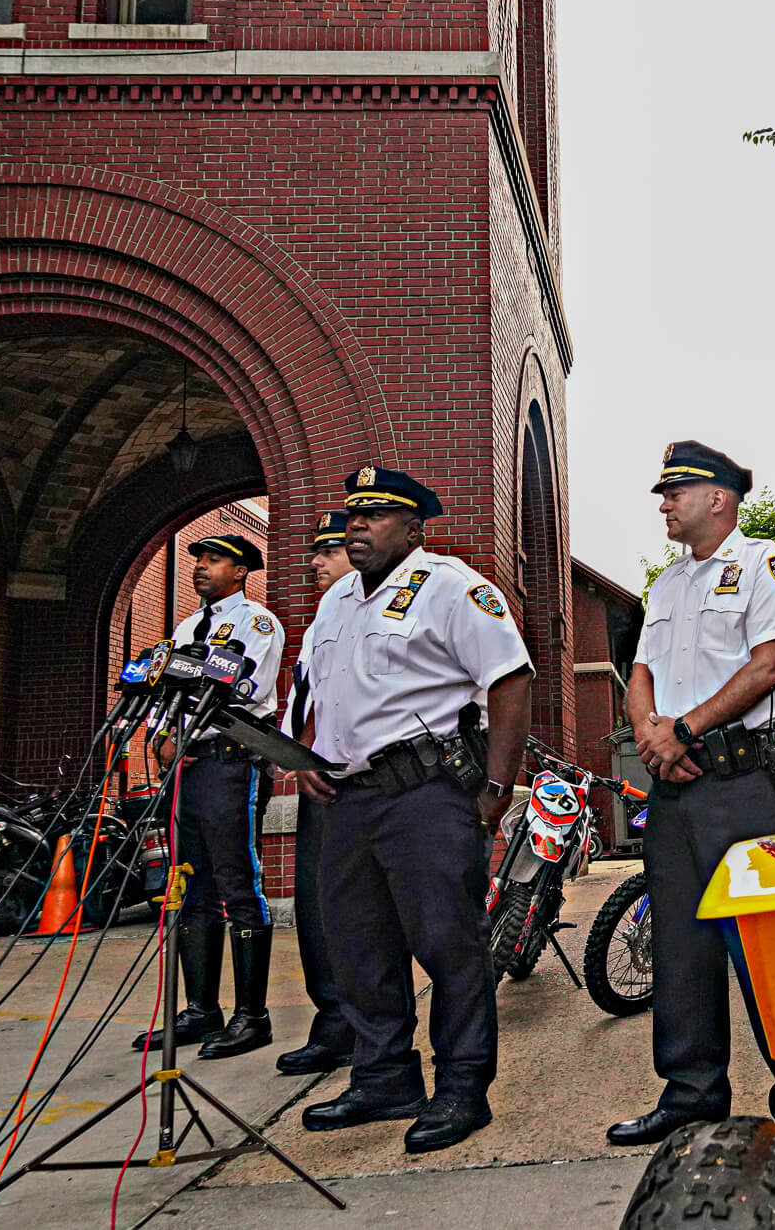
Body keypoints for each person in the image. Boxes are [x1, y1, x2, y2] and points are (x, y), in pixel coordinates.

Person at [292, 465, 533, 1154]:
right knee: (357, 946)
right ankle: (384, 1078)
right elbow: (321, 688)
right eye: (352, 515)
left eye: (374, 516)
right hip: (346, 799)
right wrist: (307, 751)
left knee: (448, 943)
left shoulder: (452, 587)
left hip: (425, 793)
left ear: (412, 528)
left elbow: (511, 680)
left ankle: (462, 1085)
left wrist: (497, 786)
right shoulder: (336, 600)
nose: (356, 527)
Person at [607, 441, 775, 1148]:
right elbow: (640, 673)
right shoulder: (664, 586)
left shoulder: (763, 563)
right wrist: (652, 737)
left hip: (748, 784)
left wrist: (685, 730)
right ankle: (691, 1093)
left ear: (718, 498)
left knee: (768, 946)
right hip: (676, 786)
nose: (664, 505)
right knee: (680, 945)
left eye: (676, 493)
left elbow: (769, 666)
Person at [133, 533, 287, 1061]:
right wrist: (161, 735)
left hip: (230, 763)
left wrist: (185, 729)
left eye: (214, 559)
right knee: (190, 883)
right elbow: (165, 689)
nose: (201, 566)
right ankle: (201, 1009)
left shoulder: (256, 622)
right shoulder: (185, 628)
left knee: (237, 882)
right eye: (198, 558)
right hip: (187, 767)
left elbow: (242, 690)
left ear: (240, 571)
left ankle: (252, 1016)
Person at [273, 511, 362, 1076]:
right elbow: (306, 695)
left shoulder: (375, 611)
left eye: (329, 551)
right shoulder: (323, 616)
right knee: (314, 906)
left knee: (352, 912)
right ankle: (332, 1020)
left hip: (356, 779)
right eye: (316, 551)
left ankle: (353, 1027)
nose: (315, 562)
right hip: (315, 777)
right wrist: (292, 753)